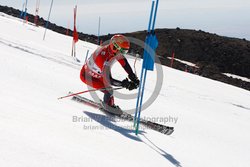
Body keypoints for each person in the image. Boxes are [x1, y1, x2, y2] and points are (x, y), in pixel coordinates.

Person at [80, 34, 140, 111]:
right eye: (122, 51)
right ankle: (108, 107)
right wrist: (125, 84)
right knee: (109, 90)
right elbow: (109, 80)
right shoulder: (103, 57)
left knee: (109, 90)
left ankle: (109, 105)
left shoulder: (113, 51)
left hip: (98, 74)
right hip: (87, 76)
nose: (122, 54)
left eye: (125, 51)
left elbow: (124, 63)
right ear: (115, 46)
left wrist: (132, 76)